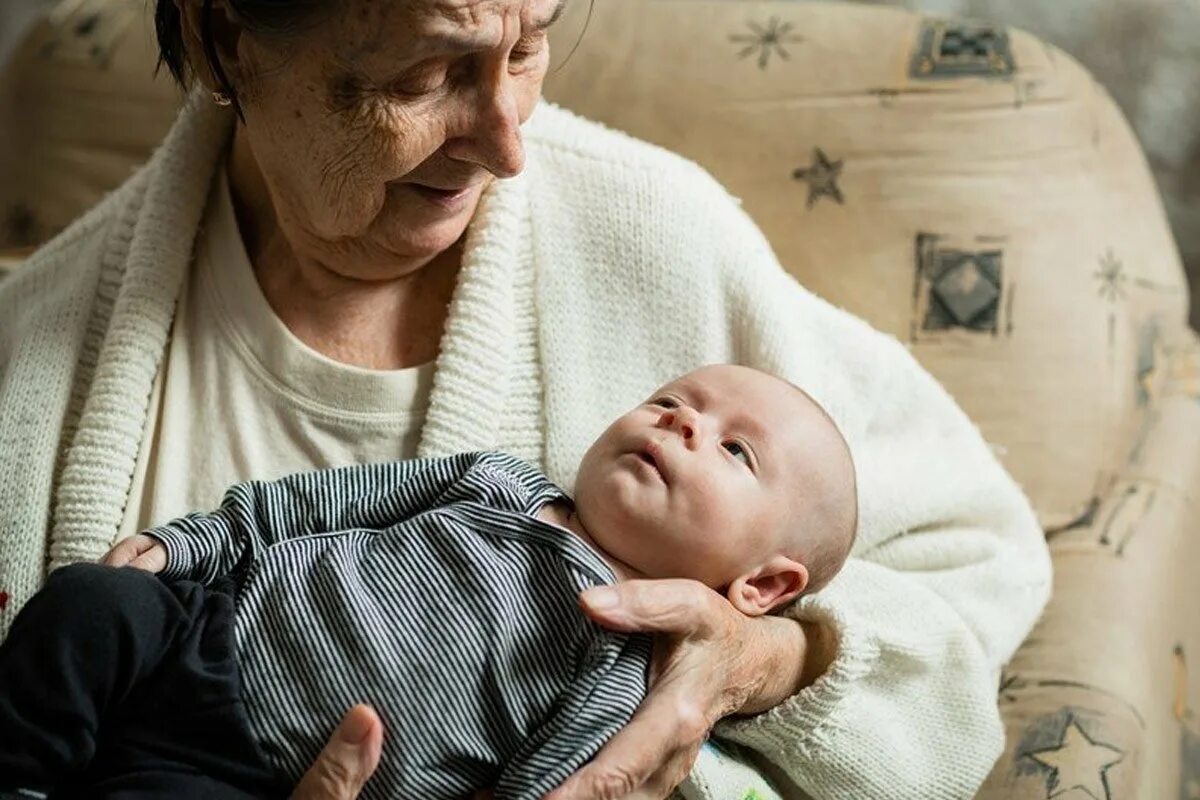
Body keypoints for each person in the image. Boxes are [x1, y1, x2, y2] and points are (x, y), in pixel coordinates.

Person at [0, 0, 1053, 796]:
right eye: (427, 73)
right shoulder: (28, 362)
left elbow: (979, 563)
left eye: (529, 44)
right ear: (230, 38)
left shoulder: (666, 239)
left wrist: (763, 658)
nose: (508, 142)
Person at [0, 365, 857, 799]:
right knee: (89, 600)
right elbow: (318, 505)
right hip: (201, 626)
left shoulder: (628, 669)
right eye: (674, 399)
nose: (682, 421)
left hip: (248, 774)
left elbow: (543, 787)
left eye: (735, 449)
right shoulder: (498, 481)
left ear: (762, 587)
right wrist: (189, 541)